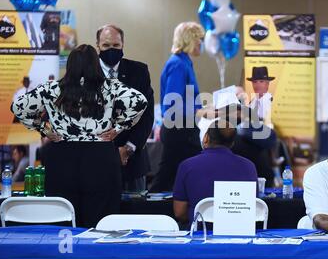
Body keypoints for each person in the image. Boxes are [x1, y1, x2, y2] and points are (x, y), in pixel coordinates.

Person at [11, 44, 147, 227]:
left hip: (62, 157)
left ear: (70, 65)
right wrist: (119, 127)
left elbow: (18, 107)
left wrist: (45, 129)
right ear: (96, 65)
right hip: (101, 157)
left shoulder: (52, 89)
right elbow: (140, 102)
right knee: (101, 223)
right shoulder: (110, 88)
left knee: (63, 219)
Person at [149, 22, 207, 192]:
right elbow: (172, 107)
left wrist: (206, 107)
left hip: (186, 130)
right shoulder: (178, 65)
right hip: (178, 132)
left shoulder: (185, 63)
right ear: (190, 40)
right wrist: (200, 111)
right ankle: (150, 212)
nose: (201, 44)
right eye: (199, 40)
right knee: (166, 180)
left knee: (180, 179)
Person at [96, 24, 154, 192]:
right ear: (98, 45)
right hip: (97, 161)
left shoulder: (139, 71)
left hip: (132, 162)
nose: (111, 49)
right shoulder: (87, 73)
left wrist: (128, 149)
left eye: (116, 45)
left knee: (134, 216)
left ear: (123, 45)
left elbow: (147, 115)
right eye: (106, 45)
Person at [173, 119, 258, 226]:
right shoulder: (249, 166)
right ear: (232, 143)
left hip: (199, 235)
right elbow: (252, 207)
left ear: (206, 138)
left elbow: (179, 212)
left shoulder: (187, 166)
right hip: (239, 232)